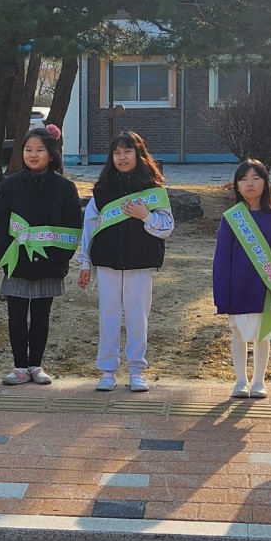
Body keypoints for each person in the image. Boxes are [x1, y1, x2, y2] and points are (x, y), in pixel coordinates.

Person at [77, 132, 174, 393]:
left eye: (127, 151)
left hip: (140, 263)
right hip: (107, 262)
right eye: (117, 152)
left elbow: (166, 227)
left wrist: (145, 216)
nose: (122, 157)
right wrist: (84, 262)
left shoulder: (154, 190)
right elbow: (89, 227)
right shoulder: (102, 189)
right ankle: (107, 371)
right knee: (107, 316)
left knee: (137, 317)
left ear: (138, 154)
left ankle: (136, 370)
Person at [0, 127, 81, 386]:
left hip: (50, 264)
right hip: (17, 261)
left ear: (51, 154)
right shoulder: (10, 184)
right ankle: (19, 366)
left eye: (40, 150)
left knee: (42, 315)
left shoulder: (65, 187)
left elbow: (73, 225)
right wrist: (6, 254)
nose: (33, 154)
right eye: (28, 149)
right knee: (16, 315)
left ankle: (36, 365)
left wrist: (60, 258)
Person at [213, 159, 271, 399]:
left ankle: (259, 381)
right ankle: (240, 380)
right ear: (236, 185)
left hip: (266, 288)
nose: (250, 184)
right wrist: (222, 294)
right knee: (239, 332)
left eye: (255, 178)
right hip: (238, 287)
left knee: (263, 334)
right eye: (244, 179)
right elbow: (221, 259)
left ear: (265, 183)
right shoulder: (231, 218)